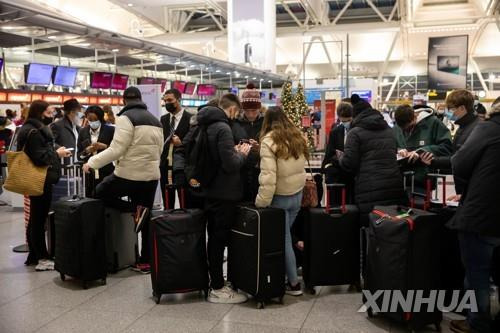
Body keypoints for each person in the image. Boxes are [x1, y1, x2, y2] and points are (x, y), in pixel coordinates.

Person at [83, 87, 163, 274]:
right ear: (141, 99)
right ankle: (146, 262)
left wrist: (92, 162)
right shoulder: (155, 120)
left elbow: (116, 149)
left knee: (100, 192)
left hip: (128, 175)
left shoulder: (126, 118)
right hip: (151, 176)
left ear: (124, 100)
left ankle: (131, 211)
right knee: (145, 216)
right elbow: (159, 150)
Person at [447, 99, 500, 333]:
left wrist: (469, 189)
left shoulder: (488, 128)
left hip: (482, 212)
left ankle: (477, 322)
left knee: (476, 271)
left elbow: (460, 162)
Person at [196, 93, 251, 304]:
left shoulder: (205, 124)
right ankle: (218, 287)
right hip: (225, 192)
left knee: (214, 239)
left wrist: (232, 152)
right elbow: (230, 164)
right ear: (231, 109)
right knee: (219, 240)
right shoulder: (223, 128)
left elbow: (217, 158)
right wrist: (242, 153)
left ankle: (216, 282)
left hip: (210, 191)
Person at [255, 106, 307, 296]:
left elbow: (268, 176)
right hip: (297, 195)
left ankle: (293, 284)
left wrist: (261, 202)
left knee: (284, 240)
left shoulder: (268, 141)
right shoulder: (297, 136)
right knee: (285, 236)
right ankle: (289, 276)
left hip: (280, 198)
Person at [16, 100, 71, 271]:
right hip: (39, 179)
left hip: (40, 179)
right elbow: (40, 157)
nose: (52, 116)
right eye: (49, 113)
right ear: (40, 113)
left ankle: (34, 254)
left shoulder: (32, 129)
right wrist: (57, 153)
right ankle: (41, 257)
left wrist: (55, 149)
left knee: (36, 218)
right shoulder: (33, 132)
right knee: (39, 220)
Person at [338, 97, 405, 225]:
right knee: (392, 228)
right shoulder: (389, 131)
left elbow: (349, 164)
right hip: (393, 187)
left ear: (356, 116)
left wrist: (340, 158)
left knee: (372, 228)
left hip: (369, 189)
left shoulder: (355, 133)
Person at [423, 90, 480, 199]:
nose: (448, 112)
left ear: (462, 108)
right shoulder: (463, 127)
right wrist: (433, 161)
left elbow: (461, 160)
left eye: (451, 109)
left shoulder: (475, 129)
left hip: (473, 189)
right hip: (466, 189)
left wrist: (435, 161)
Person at [393, 104, 452, 193]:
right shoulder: (398, 126)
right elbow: (390, 147)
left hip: (423, 182)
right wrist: (399, 151)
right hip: (401, 181)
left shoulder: (433, 123)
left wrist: (423, 151)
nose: (405, 131)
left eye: (409, 128)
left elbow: (446, 146)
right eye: (403, 129)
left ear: (414, 117)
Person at [159, 88, 193, 209]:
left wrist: (181, 144)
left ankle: (184, 224)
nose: (167, 103)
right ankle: (168, 224)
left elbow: (194, 143)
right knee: (167, 201)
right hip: (165, 166)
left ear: (179, 99)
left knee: (184, 201)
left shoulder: (191, 119)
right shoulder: (163, 119)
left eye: (170, 100)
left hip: (182, 166)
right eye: (165, 100)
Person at [231, 83, 264, 202]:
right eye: (247, 110)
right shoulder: (234, 123)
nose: (250, 114)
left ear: (259, 108)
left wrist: (260, 148)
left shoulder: (266, 123)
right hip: (240, 173)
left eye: (254, 110)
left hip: (261, 172)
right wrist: (236, 148)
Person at [77, 106, 115, 196]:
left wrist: (105, 146)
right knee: (90, 198)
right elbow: (79, 155)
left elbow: (117, 150)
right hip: (89, 172)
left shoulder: (110, 130)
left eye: (95, 119)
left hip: (106, 170)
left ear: (100, 118)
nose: (93, 122)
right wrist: (86, 151)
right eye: (90, 119)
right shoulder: (83, 132)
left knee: (106, 197)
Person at [322, 102, 353, 184]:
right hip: (339, 172)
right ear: (339, 118)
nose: (346, 123)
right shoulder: (335, 132)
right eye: (343, 121)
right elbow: (329, 153)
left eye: (349, 120)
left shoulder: (359, 131)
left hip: (355, 173)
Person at [51, 98, 83, 165]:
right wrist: (61, 149)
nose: (82, 116)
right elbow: (49, 142)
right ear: (72, 112)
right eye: (79, 113)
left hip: (76, 166)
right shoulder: (57, 125)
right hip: (63, 165)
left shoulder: (78, 128)